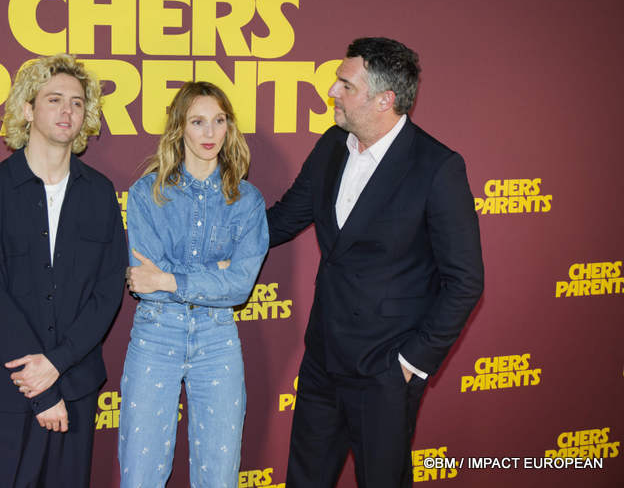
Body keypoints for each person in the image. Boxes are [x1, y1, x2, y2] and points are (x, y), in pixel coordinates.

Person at [267, 37, 484, 488]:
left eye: (345, 85)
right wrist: (202, 234)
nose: (332, 92)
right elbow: (284, 219)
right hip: (323, 358)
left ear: (385, 99)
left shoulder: (437, 167)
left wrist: (411, 363)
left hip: (386, 368)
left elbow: (464, 281)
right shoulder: (331, 145)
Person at [0, 53, 128, 487]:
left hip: (76, 385)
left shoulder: (99, 194)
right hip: (9, 389)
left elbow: (108, 289)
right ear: (27, 109)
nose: (67, 111)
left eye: (76, 102)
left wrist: (58, 364)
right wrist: (41, 388)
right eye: (54, 99)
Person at [118, 81, 269, 488]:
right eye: (198, 121)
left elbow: (238, 286)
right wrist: (212, 272)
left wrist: (170, 277)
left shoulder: (248, 201)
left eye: (218, 121)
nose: (209, 133)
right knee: (141, 475)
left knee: (219, 478)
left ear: (229, 127)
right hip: (155, 333)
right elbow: (143, 283)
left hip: (217, 339)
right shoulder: (147, 193)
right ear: (179, 128)